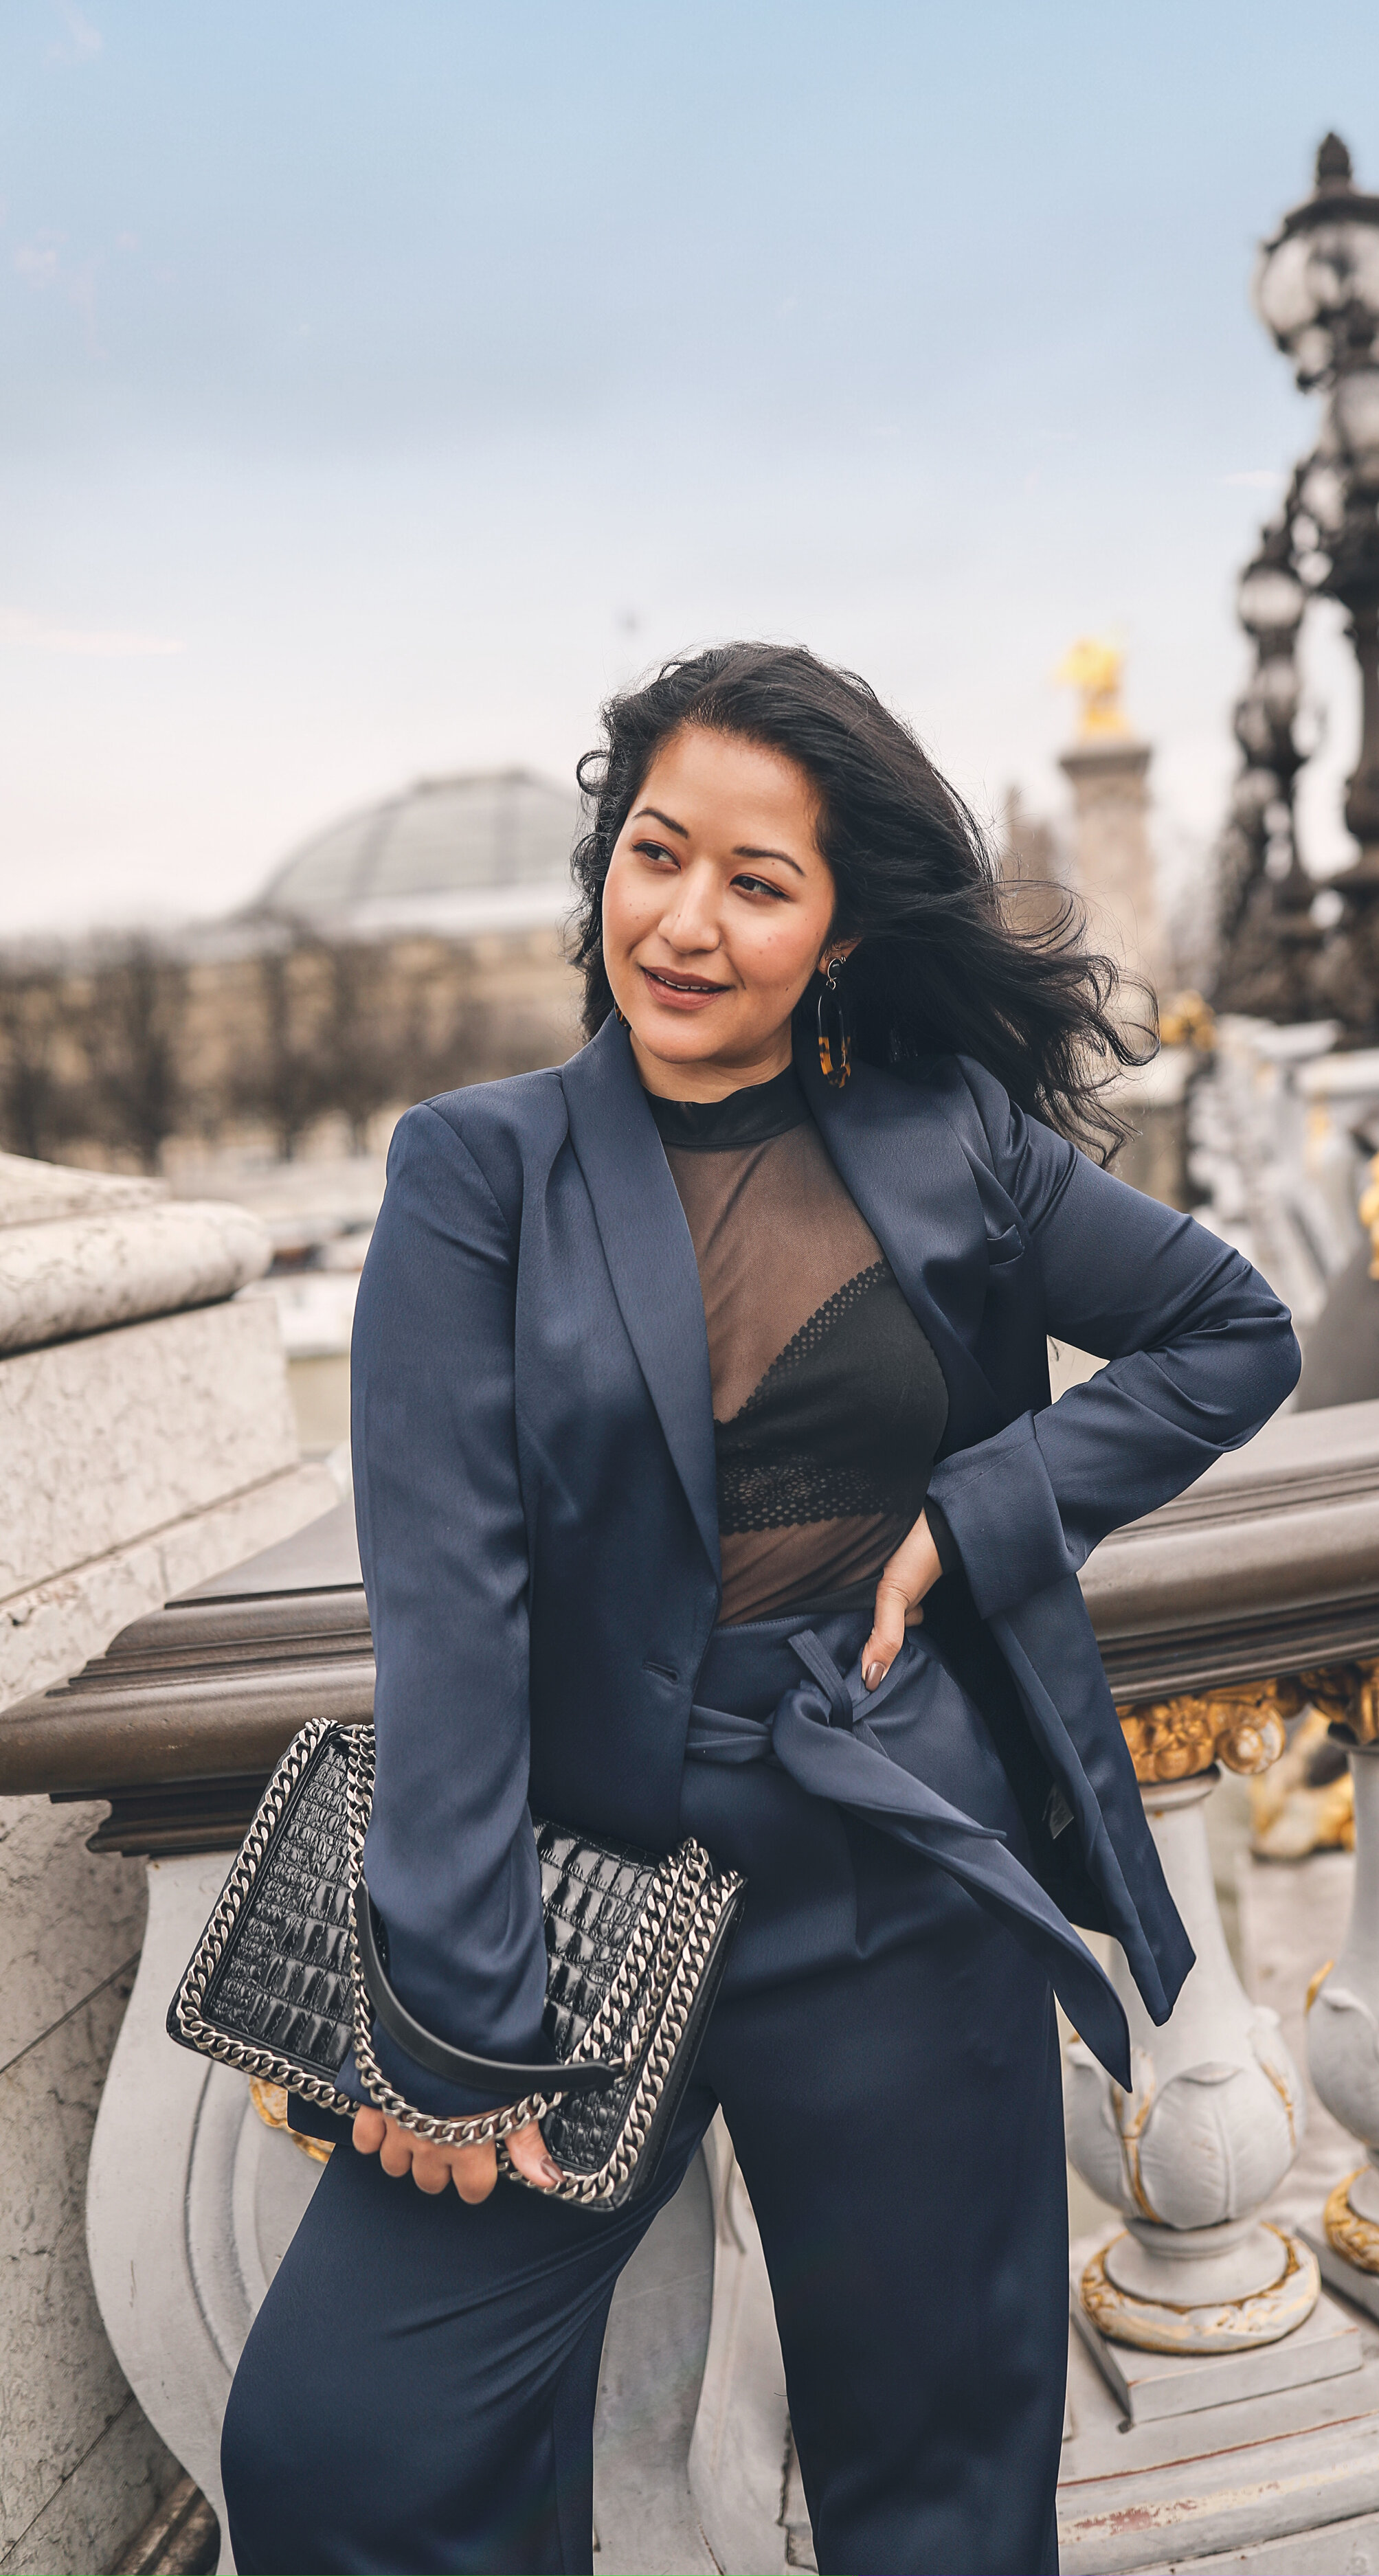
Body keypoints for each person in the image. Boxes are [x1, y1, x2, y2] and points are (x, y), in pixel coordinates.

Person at [222, 642, 1299, 2576]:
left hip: (890, 1886)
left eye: (755, 881)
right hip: (568, 1909)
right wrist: (456, 2041)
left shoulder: (947, 1132)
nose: (684, 921)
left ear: (838, 929)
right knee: (345, 2458)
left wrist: (976, 1516)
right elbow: (447, 1613)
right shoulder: (478, 1171)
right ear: (603, 864)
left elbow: (1231, 1331)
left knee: (943, 2498)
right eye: (655, 854)